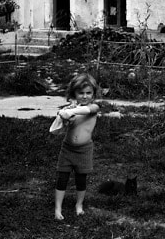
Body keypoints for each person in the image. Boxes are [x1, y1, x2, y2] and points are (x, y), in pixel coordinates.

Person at [54, 73, 101, 220]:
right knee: (62, 178)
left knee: (81, 179)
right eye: (81, 93)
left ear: (93, 94)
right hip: (68, 148)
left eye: (88, 93)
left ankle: (79, 205)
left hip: (84, 150)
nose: (85, 96)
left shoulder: (94, 107)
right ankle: (58, 208)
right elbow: (61, 128)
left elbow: (86, 110)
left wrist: (69, 111)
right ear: (74, 93)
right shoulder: (72, 109)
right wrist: (65, 116)